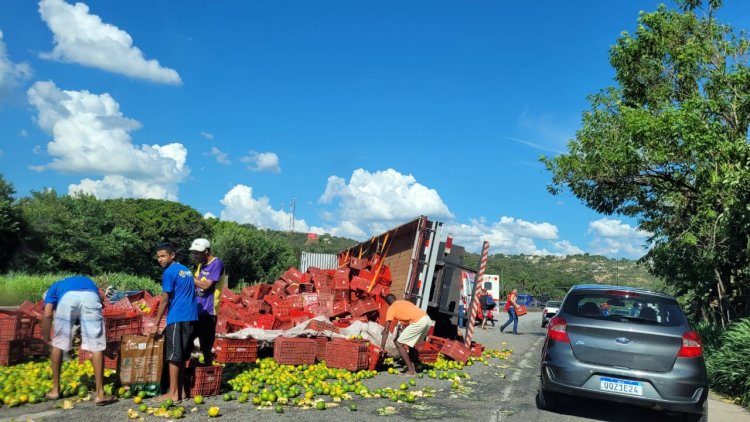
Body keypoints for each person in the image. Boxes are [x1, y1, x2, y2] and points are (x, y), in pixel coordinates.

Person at [40, 275, 117, 405]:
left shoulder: (52, 290)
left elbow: (47, 314)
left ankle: (55, 390)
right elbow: (102, 300)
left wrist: (47, 337)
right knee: (96, 345)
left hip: (66, 300)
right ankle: (100, 394)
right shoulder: (85, 282)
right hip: (90, 297)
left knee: (57, 343)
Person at [151, 242, 197, 403]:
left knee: (173, 357)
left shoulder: (169, 272)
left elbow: (165, 298)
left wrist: (156, 323)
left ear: (172, 255)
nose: (160, 259)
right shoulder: (186, 270)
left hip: (177, 317)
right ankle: (182, 391)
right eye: (158, 257)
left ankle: (173, 394)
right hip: (191, 317)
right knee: (182, 356)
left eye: (163, 256)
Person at [188, 238, 224, 364]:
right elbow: (196, 282)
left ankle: (208, 370)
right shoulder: (201, 265)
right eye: (194, 253)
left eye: (197, 253)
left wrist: (189, 277)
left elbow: (206, 285)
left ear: (207, 251)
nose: (195, 256)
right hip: (197, 309)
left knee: (206, 345)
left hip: (208, 312)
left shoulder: (217, 264)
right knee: (188, 339)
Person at [379, 294, 432, 376]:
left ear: (387, 303)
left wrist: (382, 347)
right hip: (427, 319)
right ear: (396, 298)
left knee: (398, 343)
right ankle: (413, 367)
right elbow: (409, 319)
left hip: (419, 321)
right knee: (411, 343)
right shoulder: (405, 302)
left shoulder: (391, 308)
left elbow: (386, 330)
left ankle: (411, 371)